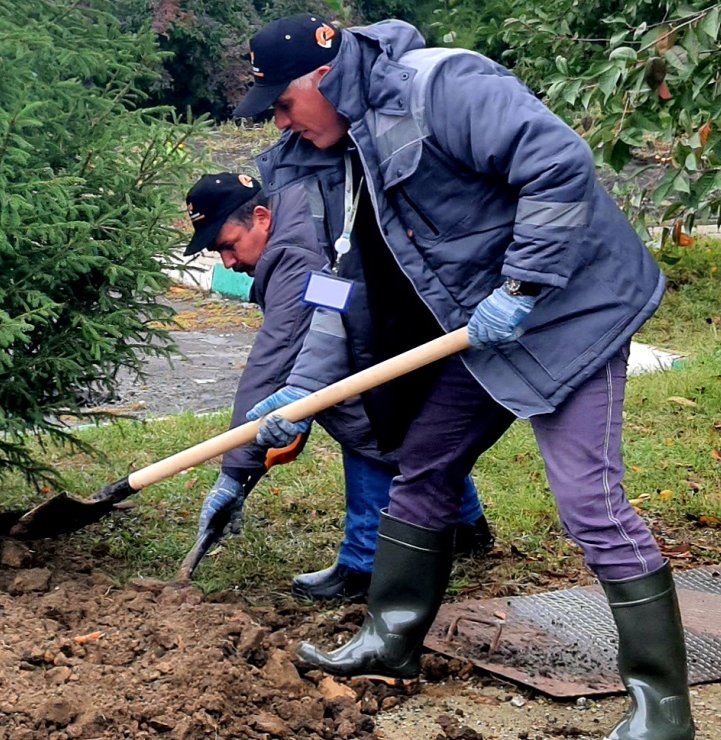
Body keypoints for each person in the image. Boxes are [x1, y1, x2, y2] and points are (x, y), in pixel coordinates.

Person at [231, 14, 694, 740]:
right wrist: (305, 385)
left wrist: (523, 285)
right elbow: (336, 282)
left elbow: (558, 162)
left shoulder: (441, 84)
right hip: (480, 325)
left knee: (589, 504)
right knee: (424, 466)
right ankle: (392, 639)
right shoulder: (342, 153)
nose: (283, 123)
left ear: (321, 77)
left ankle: (661, 706)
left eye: (285, 104)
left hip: (571, 308)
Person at [184, 173, 491, 602]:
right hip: (399, 320)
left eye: (228, 245)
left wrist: (235, 475)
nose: (227, 263)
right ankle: (464, 525)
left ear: (261, 217)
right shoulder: (294, 210)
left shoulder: (294, 255)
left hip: (412, 327)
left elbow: (276, 361)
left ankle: (364, 564)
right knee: (382, 414)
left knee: (357, 413)